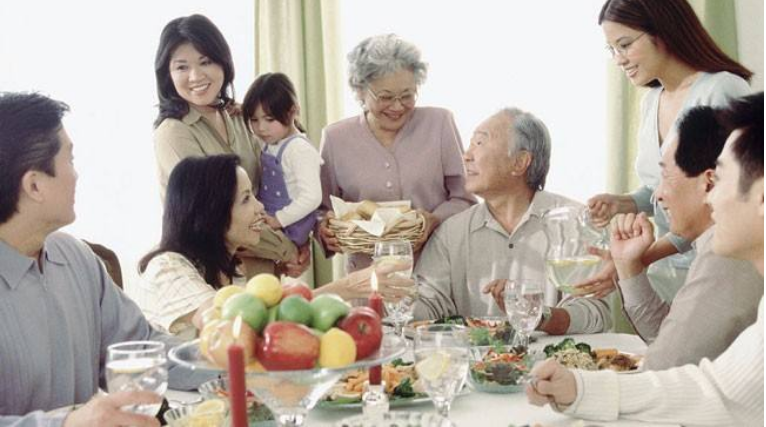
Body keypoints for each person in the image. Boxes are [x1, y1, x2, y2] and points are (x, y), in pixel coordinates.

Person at [527, 92, 764, 426]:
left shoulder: (726, 261)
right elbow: (713, 385)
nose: (657, 195)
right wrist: (580, 389)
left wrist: (582, 391)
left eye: (721, 179)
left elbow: (669, 365)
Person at [0, 92, 210, 426]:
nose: (76, 174)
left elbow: (145, 351)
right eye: (69, 159)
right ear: (35, 185)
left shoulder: (77, 259)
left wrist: (231, 354)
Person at [583, 0, 752, 302]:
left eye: (624, 45)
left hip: (718, 268)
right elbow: (662, 186)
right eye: (612, 50)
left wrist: (634, 261)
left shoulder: (721, 89)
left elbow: (727, 199)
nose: (618, 59)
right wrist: (625, 203)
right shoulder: (652, 100)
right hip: (666, 273)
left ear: (662, 31)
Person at [136, 155, 415, 338]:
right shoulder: (167, 268)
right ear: (211, 213)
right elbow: (239, 327)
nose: (260, 208)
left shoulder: (230, 268)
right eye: (246, 199)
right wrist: (346, 287)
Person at [413, 108, 611, 335]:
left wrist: (538, 315)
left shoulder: (576, 223)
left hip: (556, 366)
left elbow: (596, 313)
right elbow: (426, 307)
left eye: (479, 143)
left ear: (519, 162)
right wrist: (383, 295)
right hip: (474, 365)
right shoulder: (450, 234)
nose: (466, 155)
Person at [152, 14, 305, 278]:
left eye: (205, 61)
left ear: (223, 62)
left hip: (264, 267)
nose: (195, 76)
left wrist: (301, 239)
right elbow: (217, 215)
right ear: (167, 74)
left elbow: (286, 168)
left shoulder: (239, 117)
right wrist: (288, 249)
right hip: (211, 274)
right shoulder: (173, 133)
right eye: (181, 67)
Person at [610, 106, 761, 370]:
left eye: (665, 176)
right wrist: (629, 267)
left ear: (709, 183)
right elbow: (675, 343)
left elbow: (667, 364)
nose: (658, 194)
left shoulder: (728, 256)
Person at [317, 33, 475, 272]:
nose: (398, 106)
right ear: (360, 91)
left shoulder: (439, 123)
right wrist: (324, 229)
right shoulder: (335, 138)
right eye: (386, 97)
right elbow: (322, 209)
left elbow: (464, 197)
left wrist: (434, 220)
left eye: (407, 95)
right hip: (366, 278)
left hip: (437, 271)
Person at [241, 72, 322, 247]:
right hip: (272, 218)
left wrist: (279, 219)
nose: (261, 128)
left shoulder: (299, 149)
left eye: (269, 119)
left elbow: (312, 197)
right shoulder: (272, 141)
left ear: (293, 111)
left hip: (289, 226)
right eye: (254, 120)